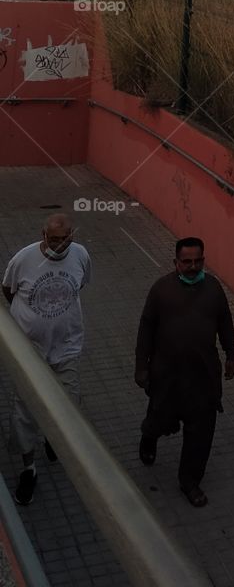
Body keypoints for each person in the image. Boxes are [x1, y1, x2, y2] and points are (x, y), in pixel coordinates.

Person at [134, 236, 234, 508]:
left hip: (203, 379)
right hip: (166, 377)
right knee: (158, 418)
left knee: (201, 434)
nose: (193, 267)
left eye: (198, 261)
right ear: (176, 262)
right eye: (186, 262)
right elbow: (145, 329)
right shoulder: (161, 290)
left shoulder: (214, 289)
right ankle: (148, 438)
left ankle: (189, 481)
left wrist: (231, 355)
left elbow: (225, 322)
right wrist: (141, 367)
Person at [2, 213, 92, 506]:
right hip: (31, 352)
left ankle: (55, 439)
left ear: (72, 237)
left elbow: (81, 284)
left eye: (64, 239)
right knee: (26, 411)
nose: (58, 245)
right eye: (53, 239)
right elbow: (8, 289)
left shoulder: (80, 255)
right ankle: (29, 468)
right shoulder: (24, 259)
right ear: (43, 235)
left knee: (68, 404)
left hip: (66, 347)